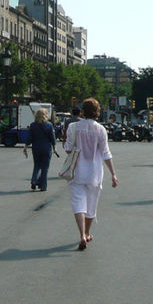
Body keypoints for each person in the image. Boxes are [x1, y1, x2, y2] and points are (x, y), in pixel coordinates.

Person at [63, 98, 118, 251]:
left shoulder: (73, 127)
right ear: (97, 112)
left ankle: (81, 234)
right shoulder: (101, 129)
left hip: (76, 172)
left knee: (78, 203)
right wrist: (113, 174)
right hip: (95, 173)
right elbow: (106, 153)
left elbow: (68, 149)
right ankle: (87, 232)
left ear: (82, 111)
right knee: (91, 205)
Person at [24, 108, 57, 191]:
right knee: (45, 167)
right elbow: (52, 138)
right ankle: (43, 186)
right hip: (46, 148)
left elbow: (30, 137)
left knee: (37, 165)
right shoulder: (49, 125)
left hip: (36, 148)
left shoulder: (33, 125)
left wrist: (26, 146)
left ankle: (34, 180)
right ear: (46, 115)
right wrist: (54, 147)